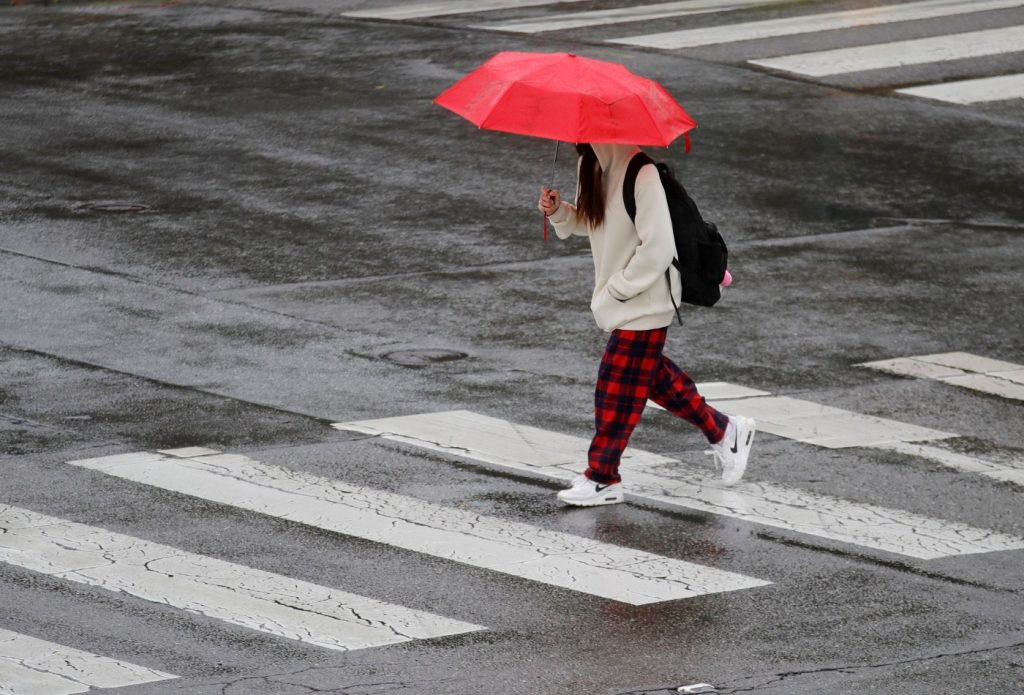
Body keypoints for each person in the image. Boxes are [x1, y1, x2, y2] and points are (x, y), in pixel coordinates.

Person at [538, 142, 755, 507]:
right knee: (650, 378)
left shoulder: (642, 173)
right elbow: (592, 221)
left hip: (648, 297)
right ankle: (725, 430)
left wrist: (617, 288)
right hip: (622, 298)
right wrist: (559, 211)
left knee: (615, 388)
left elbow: (657, 249)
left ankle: (603, 477)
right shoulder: (589, 166)